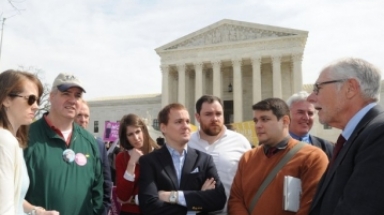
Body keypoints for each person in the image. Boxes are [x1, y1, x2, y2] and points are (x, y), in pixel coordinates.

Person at [308, 58, 384, 215]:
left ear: (350, 88)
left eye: (318, 88)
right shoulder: (357, 136)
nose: (311, 98)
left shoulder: (379, 134)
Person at [228, 98, 328, 215]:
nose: (258, 125)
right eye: (256, 120)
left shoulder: (313, 157)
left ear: (285, 121)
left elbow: (310, 205)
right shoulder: (247, 158)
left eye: (265, 119)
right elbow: (236, 200)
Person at [24, 73, 104, 215]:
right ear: (51, 96)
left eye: (78, 95)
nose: (72, 100)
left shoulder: (89, 141)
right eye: (66, 93)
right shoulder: (25, 136)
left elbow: (98, 191)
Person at [138, 103, 226, 215]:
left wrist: (172, 196)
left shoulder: (204, 160)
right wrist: (196, 202)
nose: (186, 126)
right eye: (179, 122)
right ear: (163, 128)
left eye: (187, 121)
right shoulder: (149, 161)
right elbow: (148, 206)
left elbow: (218, 200)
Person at [0, 70, 59, 215]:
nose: (36, 106)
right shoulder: (5, 141)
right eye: (30, 99)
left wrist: (36, 211)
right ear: (6, 99)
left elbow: (14, 197)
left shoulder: (14, 142)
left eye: (38, 100)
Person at [188, 95, 251, 214]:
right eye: (208, 114)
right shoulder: (186, 143)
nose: (215, 118)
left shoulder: (240, 142)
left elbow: (250, 181)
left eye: (218, 113)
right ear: (197, 117)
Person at [115, 114, 160, 215]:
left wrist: (135, 199)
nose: (136, 137)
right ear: (126, 138)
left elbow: (163, 192)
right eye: (130, 134)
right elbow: (122, 196)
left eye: (138, 131)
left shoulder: (159, 155)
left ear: (143, 130)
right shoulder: (122, 158)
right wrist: (131, 164)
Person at [75, 100, 112, 215]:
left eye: (86, 116)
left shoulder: (98, 145)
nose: (83, 120)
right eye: (79, 115)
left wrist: (104, 208)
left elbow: (106, 181)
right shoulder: (63, 143)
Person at [286, 91, 334, 160]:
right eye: (300, 112)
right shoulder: (271, 147)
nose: (306, 117)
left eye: (310, 113)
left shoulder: (328, 147)